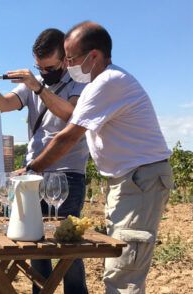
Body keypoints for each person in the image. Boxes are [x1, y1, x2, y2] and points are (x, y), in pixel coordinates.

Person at [27, 21, 173, 294]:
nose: (67, 66)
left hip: (139, 181)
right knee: (121, 266)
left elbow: (67, 137)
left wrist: (30, 169)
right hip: (130, 181)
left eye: (70, 59)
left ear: (93, 56)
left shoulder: (108, 82)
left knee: (123, 273)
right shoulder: (101, 83)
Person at [0, 28, 89, 294]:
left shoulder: (79, 82)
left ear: (65, 59)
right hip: (33, 173)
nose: (44, 72)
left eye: (49, 67)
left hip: (67, 174)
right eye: (39, 68)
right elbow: (3, 104)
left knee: (69, 248)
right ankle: (41, 290)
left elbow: (70, 115)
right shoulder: (31, 84)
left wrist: (39, 86)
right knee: (35, 241)